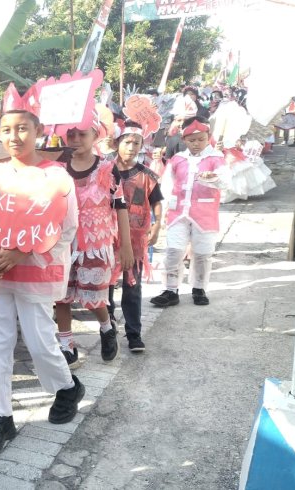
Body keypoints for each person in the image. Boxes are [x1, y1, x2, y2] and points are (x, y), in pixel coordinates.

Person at [0, 83, 85, 454]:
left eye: (22, 128)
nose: (14, 136)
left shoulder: (56, 175)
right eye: (6, 129)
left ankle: (67, 388)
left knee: (40, 341)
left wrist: (21, 253)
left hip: (34, 270)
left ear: (38, 131)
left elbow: (66, 227)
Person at [47, 123, 133, 367]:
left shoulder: (108, 169)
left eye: (81, 134)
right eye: (70, 134)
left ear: (96, 135)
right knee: (61, 296)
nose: (75, 139)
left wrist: (125, 246)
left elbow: (121, 207)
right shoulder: (57, 169)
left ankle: (106, 327)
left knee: (94, 298)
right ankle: (67, 346)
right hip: (62, 243)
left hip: (96, 244)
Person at [151, 116, 228, 308]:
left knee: (202, 253)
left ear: (208, 137)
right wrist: (165, 205)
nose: (197, 144)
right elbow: (167, 184)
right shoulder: (178, 159)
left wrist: (213, 178)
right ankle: (170, 289)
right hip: (178, 213)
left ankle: (199, 288)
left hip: (205, 213)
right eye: (192, 140)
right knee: (174, 251)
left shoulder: (216, 158)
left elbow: (226, 182)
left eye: (201, 139)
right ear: (184, 140)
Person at [108, 121, 164, 352]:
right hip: (108, 239)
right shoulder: (104, 171)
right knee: (106, 286)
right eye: (127, 142)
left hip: (135, 240)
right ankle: (108, 329)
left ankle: (134, 334)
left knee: (132, 287)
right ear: (116, 143)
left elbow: (156, 201)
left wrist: (157, 225)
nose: (131, 147)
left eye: (136, 143)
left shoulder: (146, 175)